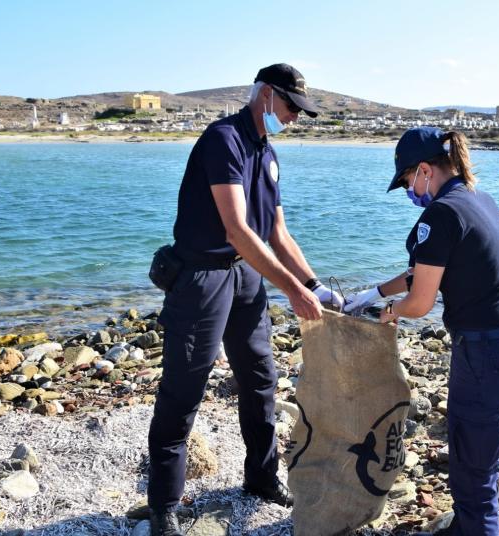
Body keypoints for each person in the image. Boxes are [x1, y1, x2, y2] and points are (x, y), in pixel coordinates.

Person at [147, 63, 343, 536]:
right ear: (265, 94)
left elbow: (276, 232)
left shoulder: (267, 152)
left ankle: (261, 478)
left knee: (260, 379)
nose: (295, 116)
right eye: (291, 106)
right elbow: (237, 230)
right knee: (184, 390)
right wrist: (292, 290)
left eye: (301, 110)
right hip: (202, 278)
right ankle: (163, 507)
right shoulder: (224, 140)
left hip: (245, 277)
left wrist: (314, 284)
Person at [344, 127, 499, 535]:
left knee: (473, 468)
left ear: (424, 170)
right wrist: (372, 293)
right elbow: (424, 271)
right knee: (478, 452)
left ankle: (476, 528)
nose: (409, 191)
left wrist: (388, 312)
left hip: (488, 354)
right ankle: (467, 525)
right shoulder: (477, 198)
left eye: (406, 182)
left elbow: (419, 302)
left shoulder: (441, 214)